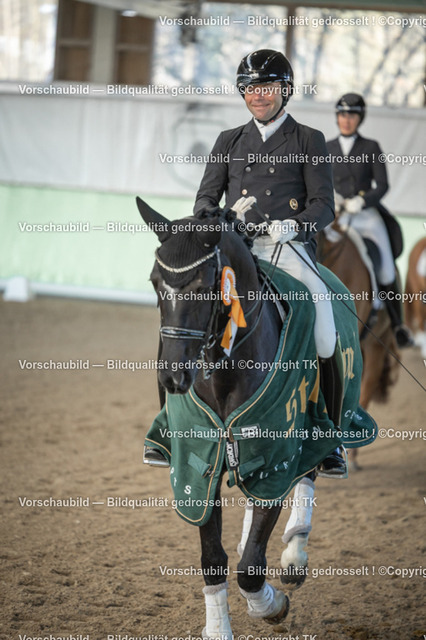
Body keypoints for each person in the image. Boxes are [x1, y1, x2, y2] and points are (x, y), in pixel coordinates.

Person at [194, 49, 346, 477]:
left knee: (324, 329)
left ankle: (329, 435)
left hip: (287, 248)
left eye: (266, 87)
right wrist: (221, 217)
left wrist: (294, 225)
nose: (257, 96)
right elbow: (204, 199)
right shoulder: (228, 140)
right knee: (186, 312)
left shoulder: (308, 139)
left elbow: (324, 205)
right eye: (250, 89)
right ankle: (169, 426)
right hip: (239, 249)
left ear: (285, 90)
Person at [327, 93, 413, 347]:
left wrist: (362, 201)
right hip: (337, 215)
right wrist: (330, 198)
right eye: (342, 115)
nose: (346, 120)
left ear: (360, 118)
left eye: (352, 115)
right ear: (337, 117)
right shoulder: (326, 147)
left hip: (365, 216)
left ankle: (398, 325)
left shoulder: (371, 147)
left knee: (386, 265)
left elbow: (383, 185)